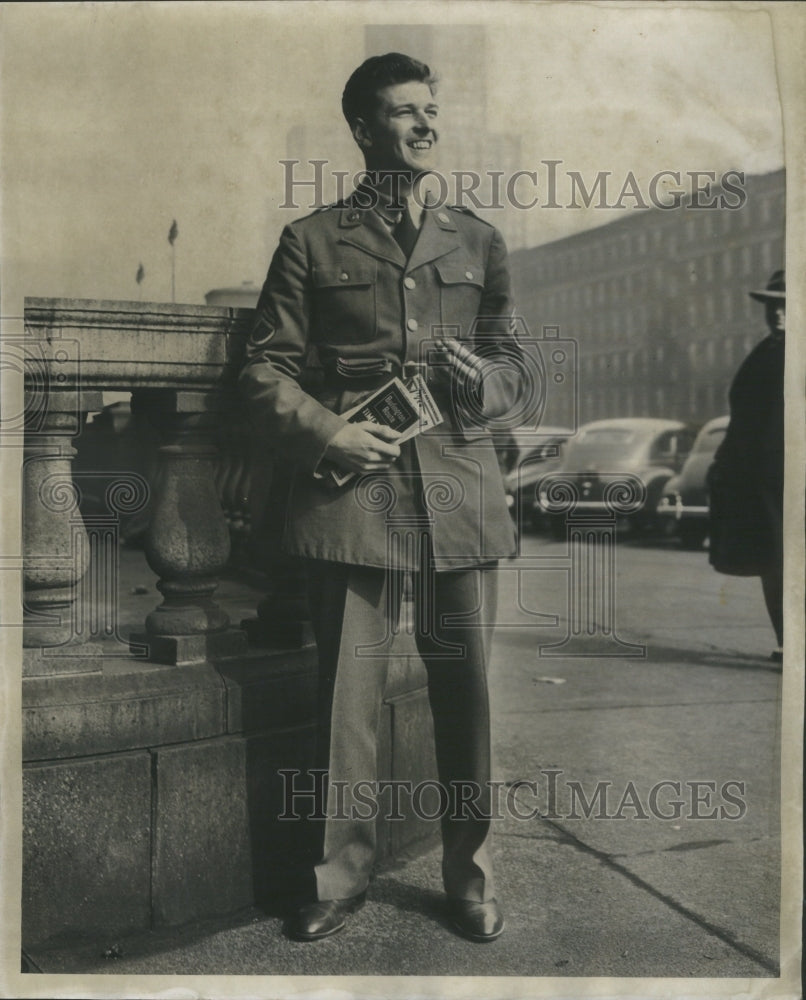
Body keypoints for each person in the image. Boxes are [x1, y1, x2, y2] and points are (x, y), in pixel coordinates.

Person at [238, 53, 523, 942]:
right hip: (354, 491)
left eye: (431, 109)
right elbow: (261, 368)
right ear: (363, 130)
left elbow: (513, 366)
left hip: (458, 490)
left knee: (466, 692)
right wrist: (328, 430)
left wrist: (486, 385)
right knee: (344, 702)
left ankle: (470, 876)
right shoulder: (313, 240)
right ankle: (338, 875)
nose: (425, 124)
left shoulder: (477, 240)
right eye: (404, 112)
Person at [708, 270, 785, 662]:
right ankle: (788, 643)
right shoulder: (767, 351)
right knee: (773, 561)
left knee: (784, 561)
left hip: (787, 478)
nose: (778, 314)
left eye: (788, 306)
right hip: (764, 479)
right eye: (773, 305)